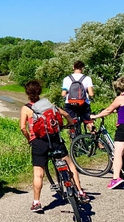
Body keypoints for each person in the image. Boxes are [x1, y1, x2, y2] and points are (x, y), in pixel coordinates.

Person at [19, 80, 90, 212]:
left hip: (39, 142)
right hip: (55, 139)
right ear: (40, 91)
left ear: (27, 93)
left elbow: (23, 128)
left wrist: (29, 139)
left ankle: (36, 202)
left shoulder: (26, 108)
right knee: (70, 165)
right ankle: (80, 192)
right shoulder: (49, 104)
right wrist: (70, 125)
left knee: (38, 173)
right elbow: (67, 115)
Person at [90, 75, 124, 189]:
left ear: (119, 86)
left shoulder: (120, 98)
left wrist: (96, 116)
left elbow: (108, 110)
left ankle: (116, 179)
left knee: (118, 153)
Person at [61, 61, 95, 133]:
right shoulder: (87, 78)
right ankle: (99, 142)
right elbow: (91, 94)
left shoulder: (66, 79)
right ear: (82, 68)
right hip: (83, 104)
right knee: (89, 123)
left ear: (73, 67)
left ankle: (74, 142)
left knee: (72, 124)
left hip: (70, 104)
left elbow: (63, 94)